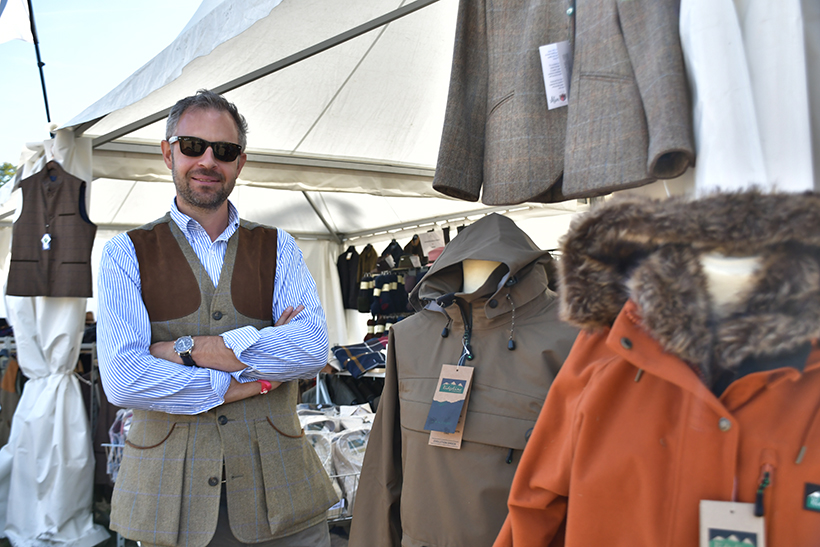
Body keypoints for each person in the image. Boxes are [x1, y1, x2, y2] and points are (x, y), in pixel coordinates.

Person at [97, 89, 338, 547]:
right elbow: (124, 380)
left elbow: (309, 350)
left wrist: (186, 350)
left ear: (239, 163)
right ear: (168, 152)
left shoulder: (278, 246)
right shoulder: (125, 253)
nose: (208, 160)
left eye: (223, 151)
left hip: (282, 495)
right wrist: (239, 378)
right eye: (192, 146)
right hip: (170, 500)